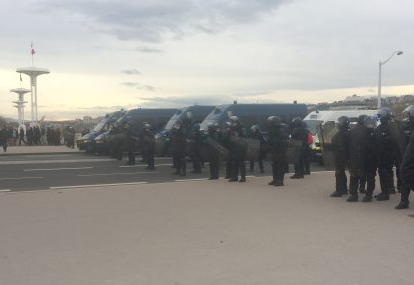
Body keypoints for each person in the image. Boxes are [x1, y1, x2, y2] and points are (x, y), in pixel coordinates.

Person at [375, 107, 395, 201]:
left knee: (383, 171)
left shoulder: (388, 127)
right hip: (385, 153)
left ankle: (385, 192)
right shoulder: (385, 126)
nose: (379, 117)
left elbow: (391, 140)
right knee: (387, 171)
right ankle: (390, 188)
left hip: (385, 153)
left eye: (381, 115)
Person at [396, 105, 414, 209]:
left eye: (409, 116)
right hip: (405, 154)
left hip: (408, 157)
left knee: (405, 172)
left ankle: (404, 201)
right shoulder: (405, 127)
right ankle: (404, 200)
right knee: (404, 176)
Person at [347, 115, 368, 202]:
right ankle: (362, 188)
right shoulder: (368, 130)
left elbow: (348, 144)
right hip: (365, 155)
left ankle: (353, 194)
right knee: (364, 173)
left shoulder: (353, 130)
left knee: (354, 175)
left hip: (355, 156)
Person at [330, 116, 350, 197]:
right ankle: (344, 189)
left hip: (340, 155)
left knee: (339, 173)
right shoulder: (348, 132)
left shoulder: (340, 134)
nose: (338, 124)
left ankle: (339, 190)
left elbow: (337, 145)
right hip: (346, 155)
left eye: (339, 122)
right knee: (341, 172)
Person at [267, 116, 288, 186]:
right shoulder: (272, 130)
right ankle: (275, 179)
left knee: (280, 166)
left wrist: (281, 151)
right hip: (274, 150)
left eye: (270, 122)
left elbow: (283, 141)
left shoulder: (281, 130)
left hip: (280, 151)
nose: (269, 123)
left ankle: (280, 181)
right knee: (274, 165)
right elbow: (270, 140)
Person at [361, 116, 378, 202]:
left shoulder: (374, 134)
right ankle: (366, 191)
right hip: (367, 158)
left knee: (370, 176)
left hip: (370, 158)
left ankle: (369, 194)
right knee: (369, 176)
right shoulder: (373, 133)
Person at [227, 116, 247, 182]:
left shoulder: (242, 129)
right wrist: (228, 133)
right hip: (233, 148)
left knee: (241, 163)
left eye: (233, 122)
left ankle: (243, 177)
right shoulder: (231, 129)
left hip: (240, 148)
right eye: (231, 122)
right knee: (234, 163)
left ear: (237, 122)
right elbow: (229, 138)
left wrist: (235, 134)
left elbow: (243, 138)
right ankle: (234, 177)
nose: (232, 123)